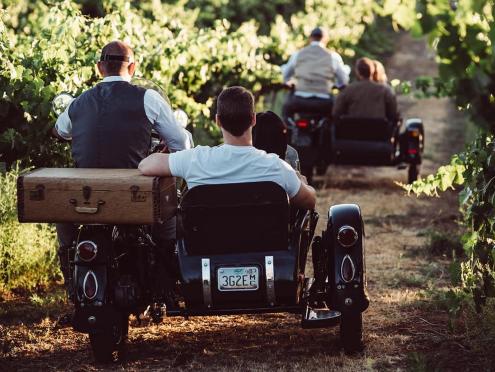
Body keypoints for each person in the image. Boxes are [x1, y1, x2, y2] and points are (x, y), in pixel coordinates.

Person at [52, 40, 191, 302]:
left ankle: (69, 277)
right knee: (169, 206)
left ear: (99, 68)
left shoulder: (79, 102)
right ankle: (165, 279)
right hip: (132, 193)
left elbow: (60, 131)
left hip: (87, 196)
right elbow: (180, 143)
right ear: (133, 67)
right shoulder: (148, 98)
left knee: (62, 212)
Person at [139, 86, 316, 211]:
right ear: (253, 120)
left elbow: (145, 166)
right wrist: (302, 183)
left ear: (218, 121)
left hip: (207, 252)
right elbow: (310, 201)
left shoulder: (195, 159)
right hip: (260, 253)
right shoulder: (277, 167)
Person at [281, 27, 350, 120]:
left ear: (310, 38)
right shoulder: (333, 57)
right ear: (326, 39)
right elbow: (344, 80)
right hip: (323, 101)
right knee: (336, 115)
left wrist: (290, 81)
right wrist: (337, 84)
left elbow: (286, 75)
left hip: (300, 99)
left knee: (286, 110)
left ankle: (288, 131)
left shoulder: (298, 54)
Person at [333, 57, 400, 123]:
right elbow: (393, 114)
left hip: (353, 131)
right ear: (373, 71)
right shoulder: (385, 90)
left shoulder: (348, 90)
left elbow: (336, 112)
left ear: (358, 72)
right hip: (378, 131)